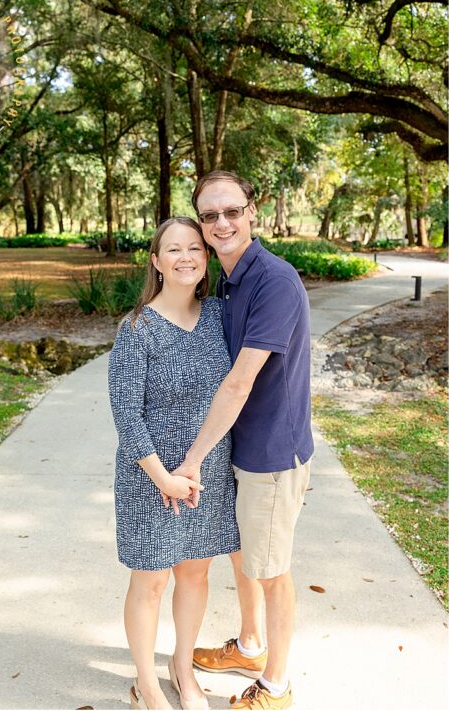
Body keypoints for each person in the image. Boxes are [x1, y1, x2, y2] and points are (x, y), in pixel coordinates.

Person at [178, 171, 312, 710]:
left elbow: (238, 382)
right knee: (243, 555)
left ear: (251, 210)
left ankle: (277, 684)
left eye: (231, 211)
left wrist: (192, 459)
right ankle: (251, 645)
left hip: (271, 454)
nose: (222, 223)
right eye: (209, 216)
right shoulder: (230, 280)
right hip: (243, 446)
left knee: (271, 569)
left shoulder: (274, 281)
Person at [109, 217, 240, 711]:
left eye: (194, 248)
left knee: (195, 574)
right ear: (156, 261)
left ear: (206, 259)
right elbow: (126, 410)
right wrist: (162, 475)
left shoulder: (220, 317)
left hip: (207, 472)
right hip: (151, 476)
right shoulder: (137, 328)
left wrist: (194, 466)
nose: (186, 257)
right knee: (151, 579)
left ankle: (182, 667)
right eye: (174, 249)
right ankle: (145, 681)